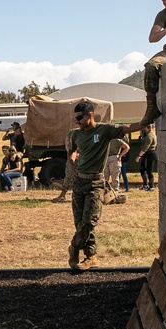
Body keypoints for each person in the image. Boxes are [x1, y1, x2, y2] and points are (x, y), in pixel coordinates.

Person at [67, 101, 144, 270]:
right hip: (79, 182)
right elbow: (72, 152)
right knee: (80, 222)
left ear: (90, 115)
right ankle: (91, 257)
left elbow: (129, 127)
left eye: (80, 118)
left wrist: (148, 120)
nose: (77, 121)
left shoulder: (104, 130)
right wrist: (72, 164)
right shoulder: (75, 135)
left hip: (96, 183)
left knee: (89, 221)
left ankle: (74, 247)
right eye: (75, 118)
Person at [52, 122, 81, 203]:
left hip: (83, 159)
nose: (78, 124)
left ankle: (78, 196)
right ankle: (63, 194)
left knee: (82, 177)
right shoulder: (72, 132)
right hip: (72, 158)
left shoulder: (87, 132)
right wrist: (72, 153)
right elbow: (68, 144)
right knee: (68, 175)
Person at [136, 125, 158, 191]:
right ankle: (145, 185)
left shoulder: (150, 136)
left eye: (144, 128)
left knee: (149, 171)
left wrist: (139, 156)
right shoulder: (146, 135)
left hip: (150, 154)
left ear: (148, 128)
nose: (143, 130)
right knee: (142, 169)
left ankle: (151, 187)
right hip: (146, 154)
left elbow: (145, 148)